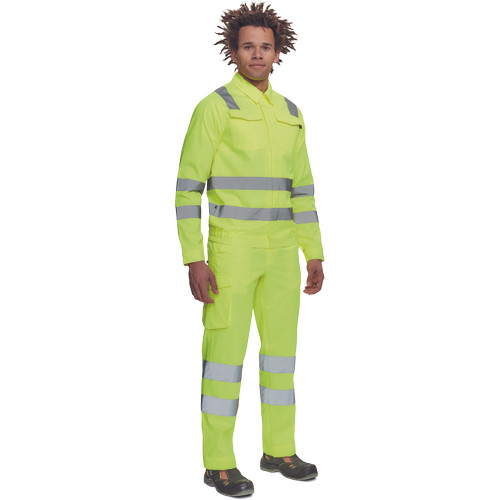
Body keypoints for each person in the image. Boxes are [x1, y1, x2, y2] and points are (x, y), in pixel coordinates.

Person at [175, 2, 325, 496]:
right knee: (224, 359)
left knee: (281, 356)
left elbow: (302, 191)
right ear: (233, 52)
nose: (257, 54)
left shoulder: (291, 114)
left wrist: (314, 252)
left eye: (265, 47)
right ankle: (218, 462)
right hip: (231, 253)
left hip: (282, 254)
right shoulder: (215, 107)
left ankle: (279, 450)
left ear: (278, 53)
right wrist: (194, 258)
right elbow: (187, 189)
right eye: (248, 47)